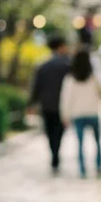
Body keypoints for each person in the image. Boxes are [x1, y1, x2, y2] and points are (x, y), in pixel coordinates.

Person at [59, 47, 101, 179]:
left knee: (80, 143)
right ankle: (98, 167)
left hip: (77, 115)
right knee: (97, 142)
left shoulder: (70, 78)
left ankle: (82, 169)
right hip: (93, 113)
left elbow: (66, 98)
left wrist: (65, 115)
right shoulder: (94, 76)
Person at [28, 35, 70, 176]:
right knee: (59, 132)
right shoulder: (66, 64)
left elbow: (36, 87)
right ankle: (56, 155)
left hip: (46, 105)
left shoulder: (42, 65)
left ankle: (54, 155)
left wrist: (31, 104)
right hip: (62, 105)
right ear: (60, 46)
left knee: (50, 132)